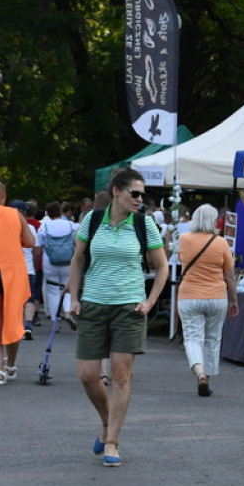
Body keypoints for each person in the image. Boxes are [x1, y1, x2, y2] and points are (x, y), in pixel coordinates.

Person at [66, 169, 169, 466]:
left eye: (142, 195)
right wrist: (74, 296)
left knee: (121, 374)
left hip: (129, 307)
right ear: (116, 192)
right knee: (87, 376)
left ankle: (112, 441)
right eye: (134, 194)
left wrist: (150, 301)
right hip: (94, 304)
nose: (140, 199)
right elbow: (78, 258)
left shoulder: (144, 224)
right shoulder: (93, 220)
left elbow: (161, 267)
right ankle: (106, 420)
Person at [177, 204, 239, 397]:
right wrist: (233, 300)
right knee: (213, 338)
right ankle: (208, 379)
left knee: (193, 338)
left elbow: (181, 261)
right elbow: (229, 276)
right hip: (216, 296)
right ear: (213, 221)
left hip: (189, 296)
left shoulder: (184, 239)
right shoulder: (221, 243)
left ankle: (200, 373)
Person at [0, 183, 34, 385]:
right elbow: (29, 242)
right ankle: (10, 365)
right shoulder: (15, 214)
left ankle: (0, 369)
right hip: (12, 273)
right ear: (3, 196)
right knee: (13, 318)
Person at [34, 201, 78, 323]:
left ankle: (55, 320)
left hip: (50, 262)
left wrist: (36, 263)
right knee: (67, 287)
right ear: (60, 211)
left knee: (52, 291)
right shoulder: (71, 225)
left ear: (47, 213)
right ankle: (68, 312)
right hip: (68, 262)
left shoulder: (44, 227)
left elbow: (38, 248)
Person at [10, 201, 39, 340]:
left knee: (15, 301)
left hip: (13, 269)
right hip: (29, 269)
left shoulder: (7, 227)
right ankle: (28, 325)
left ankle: (16, 326)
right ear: (25, 212)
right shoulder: (30, 228)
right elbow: (34, 249)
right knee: (29, 299)